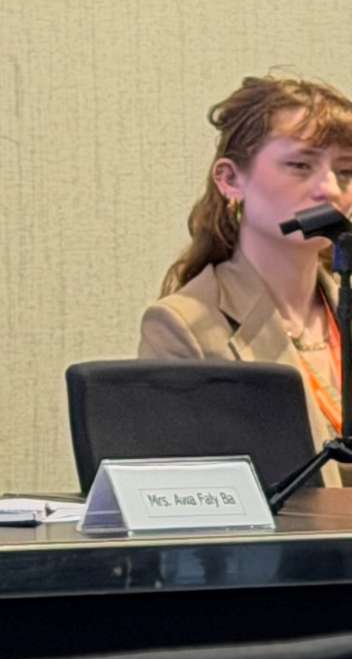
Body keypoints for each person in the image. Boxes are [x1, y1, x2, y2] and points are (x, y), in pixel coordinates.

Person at [140, 75, 352, 466]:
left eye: (346, 171)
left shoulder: (344, 305)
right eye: (301, 165)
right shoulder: (183, 325)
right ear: (231, 179)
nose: (331, 190)